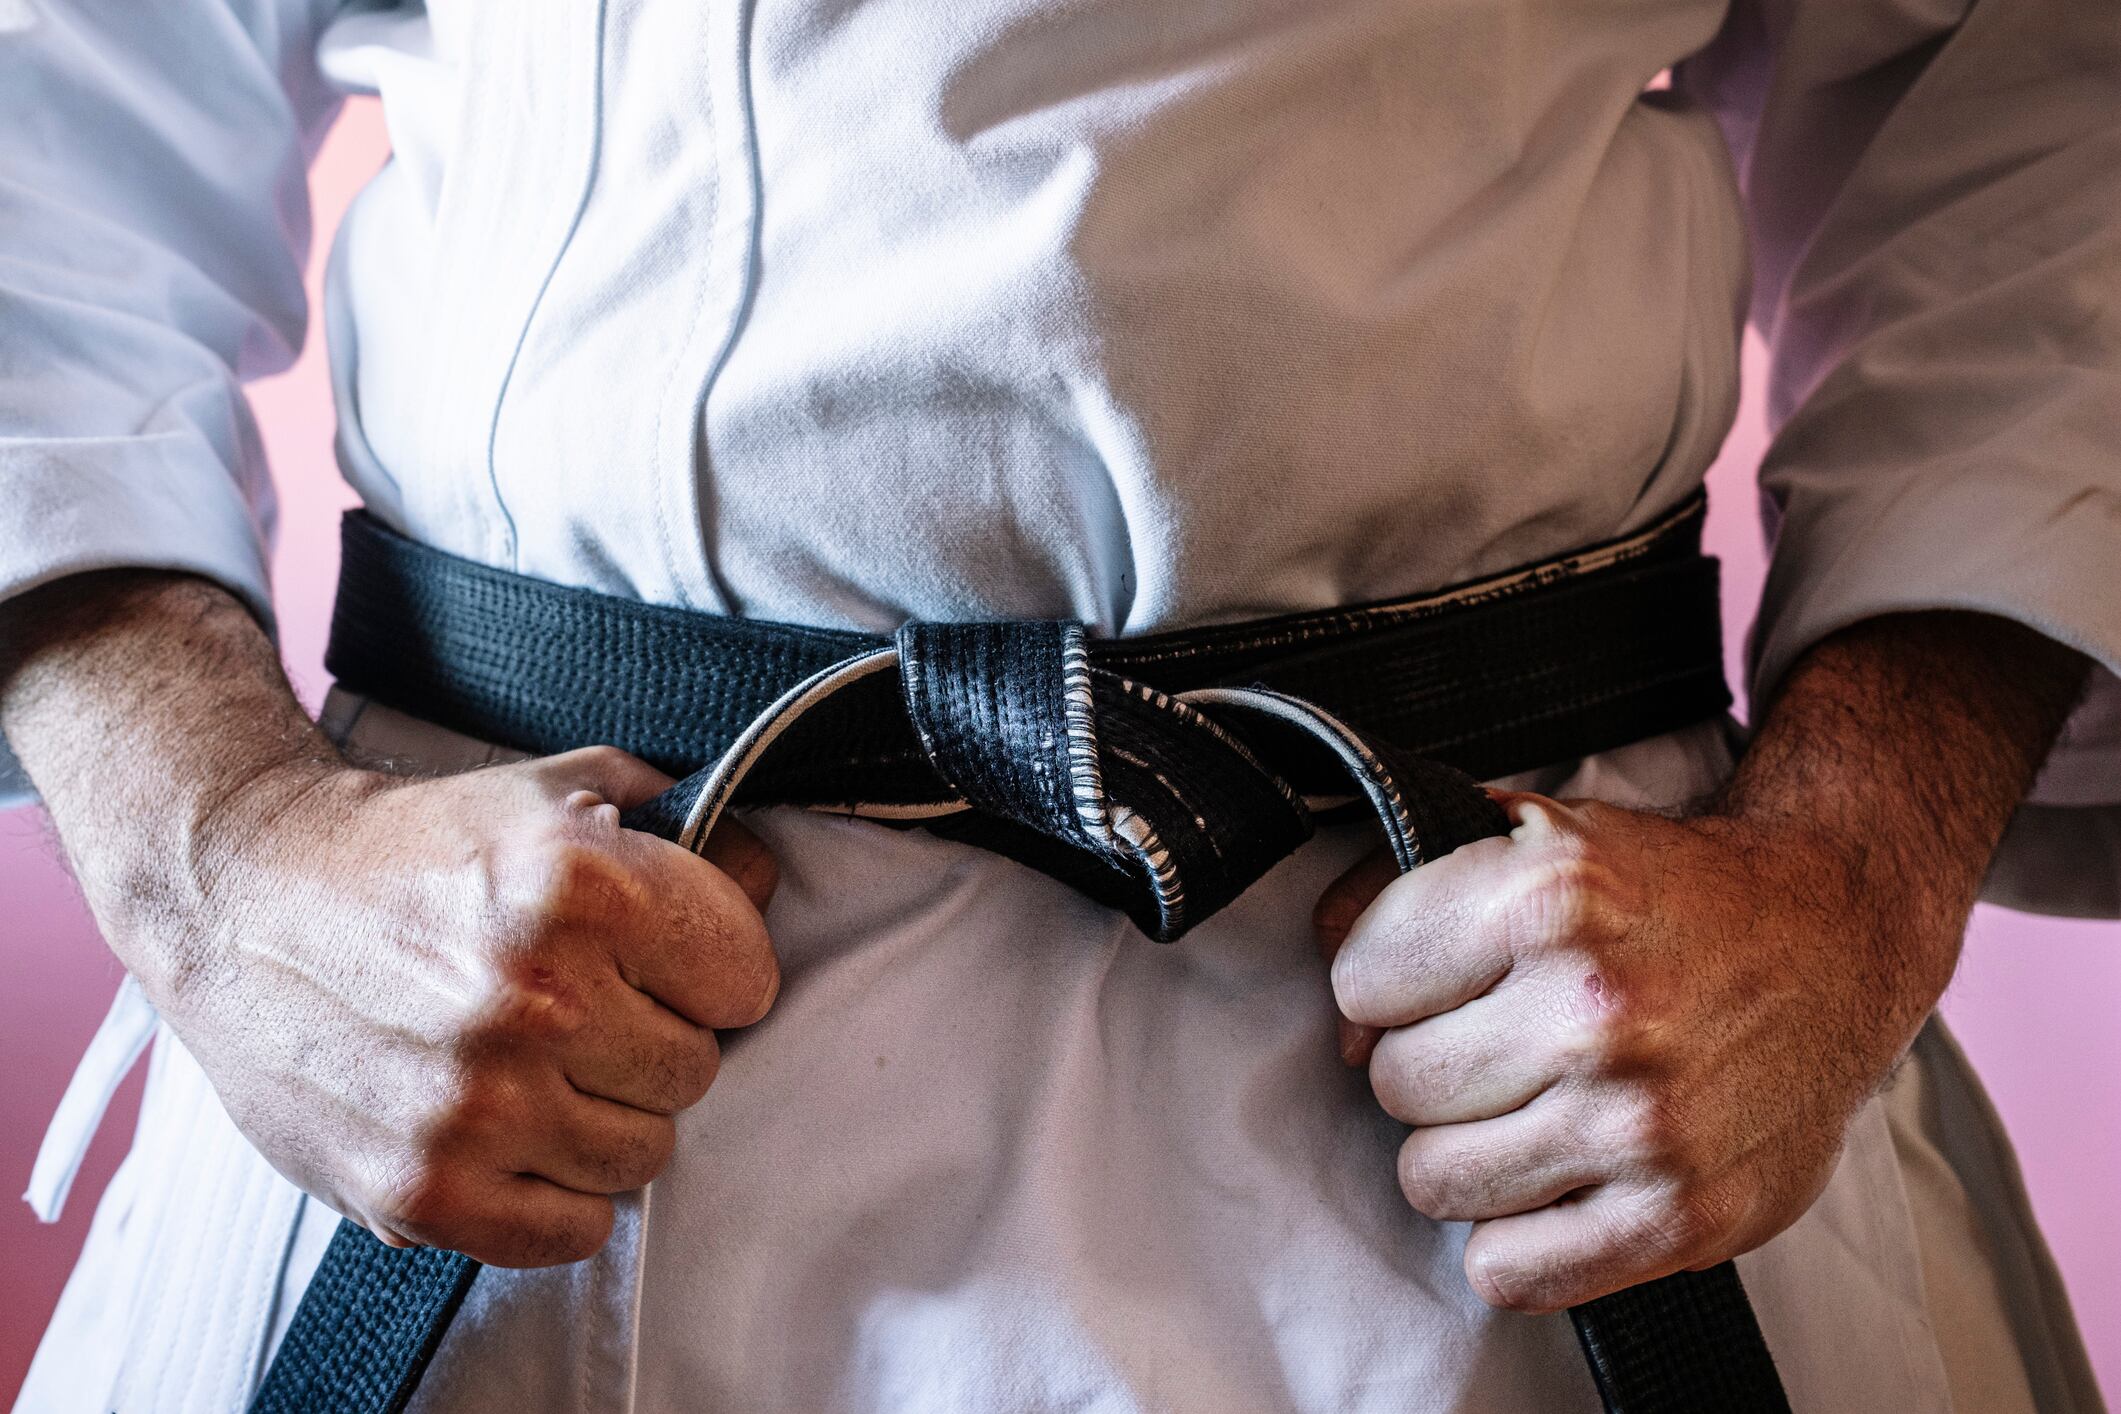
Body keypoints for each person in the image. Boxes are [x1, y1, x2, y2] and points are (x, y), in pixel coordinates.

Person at [2, 0, 2116, 1409]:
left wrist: (1852, 875)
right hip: (456, 1020)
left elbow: (2024, 108)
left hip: (1538, 1053)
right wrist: (209, 857)